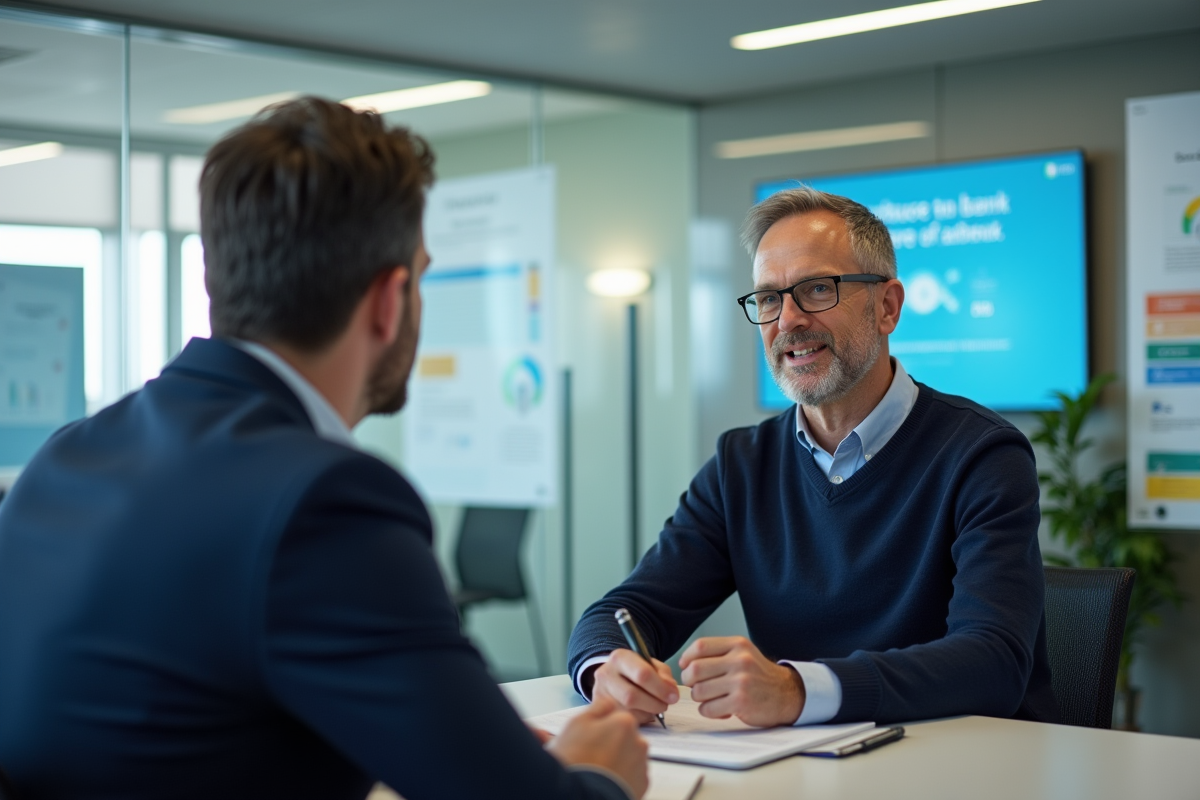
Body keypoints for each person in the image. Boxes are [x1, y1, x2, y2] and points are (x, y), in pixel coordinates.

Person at [0, 97, 647, 800]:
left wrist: (449, 735)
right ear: (389, 300)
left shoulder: (66, 459)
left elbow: (175, 722)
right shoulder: (324, 500)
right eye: (423, 276)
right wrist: (595, 775)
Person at [568, 187, 1058, 729]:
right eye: (769, 298)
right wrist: (605, 670)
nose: (788, 320)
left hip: (962, 766)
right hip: (799, 767)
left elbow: (994, 661)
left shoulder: (982, 454)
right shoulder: (741, 465)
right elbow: (628, 610)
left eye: (817, 289)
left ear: (887, 306)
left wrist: (800, 690)